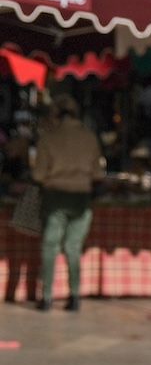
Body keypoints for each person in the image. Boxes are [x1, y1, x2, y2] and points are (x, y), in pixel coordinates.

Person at [31, 93, 103, 312]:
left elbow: (38, 175)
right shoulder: (90, 137)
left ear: (55, 115)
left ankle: (46, 297)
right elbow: (98, 173)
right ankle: (74, 296)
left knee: (50, 246)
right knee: (73, 247)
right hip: (81, 197)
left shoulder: (48, 138)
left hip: (55, 197)